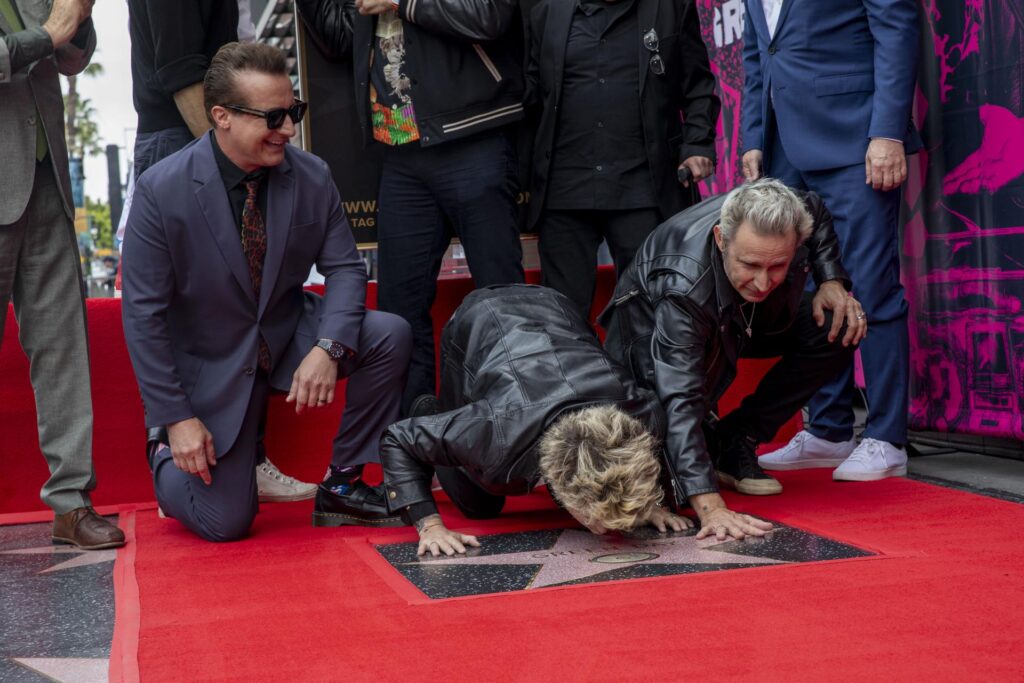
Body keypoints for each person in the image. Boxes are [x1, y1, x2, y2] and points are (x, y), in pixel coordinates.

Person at [121, 43, 412, 541]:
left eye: (294, 111)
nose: (289, 129)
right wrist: (175, 419)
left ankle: (342, 484)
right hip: (211, 360)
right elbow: (142, 316)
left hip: (286, 334)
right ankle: (163, 456)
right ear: (222, 117)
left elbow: (345, 269)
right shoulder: (160, 189)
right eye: (274, 117)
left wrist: (329, 346)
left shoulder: (312, 175)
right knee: (226, 523)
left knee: (389, 333)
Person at [295, 0, 526, 415]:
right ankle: (415, 437)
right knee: (398, 312)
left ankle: (516, 422)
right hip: (399, 148)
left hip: (471, 134)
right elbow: (339, 37)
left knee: (502, 300)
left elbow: (490, 16)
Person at [601, 179, 866, 539]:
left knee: (839, 322)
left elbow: (815, 210)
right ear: (721, 239)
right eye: (750, 264)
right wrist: (710, 506)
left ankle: (737, 437)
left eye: (778, 265)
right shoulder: (684, 287)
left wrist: (831, 280)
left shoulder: (793, 212)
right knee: (658, 478)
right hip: (653, 331)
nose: (762, 282)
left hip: (745, 317)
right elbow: (681, 397)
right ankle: (708, 450)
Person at [345, 284, 691, 557]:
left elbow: (644, 457)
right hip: (480, 318)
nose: (607, 531)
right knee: (480, 504)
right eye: (597, 522)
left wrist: (648, 503)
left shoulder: (641, 414)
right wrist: (430, 525)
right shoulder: (494, 430)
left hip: (556, 306)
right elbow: (397, 437)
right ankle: (432, 414)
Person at [740, 0, 921, 480]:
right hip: (783, 147)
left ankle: (887, 438)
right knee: (805, 290)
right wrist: (753, 136)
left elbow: (896, 29)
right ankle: (828, 430)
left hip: (853, 136)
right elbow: (759, 52)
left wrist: (887, 132)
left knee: (870, 285)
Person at [1, 0, 124, 550]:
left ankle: (71, 503)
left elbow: (72, 58)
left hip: (46, 182)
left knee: (63, 351)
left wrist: (80, 17)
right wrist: (49, 33)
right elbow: (45, 40)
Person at [525, 0, 720, 317]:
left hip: (642, 186)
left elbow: (698, 84)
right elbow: (530, 94)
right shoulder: (546, 11)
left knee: (644, 309)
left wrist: (698, 144)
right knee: (561, 315)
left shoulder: (670, 7)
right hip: (564, 190)